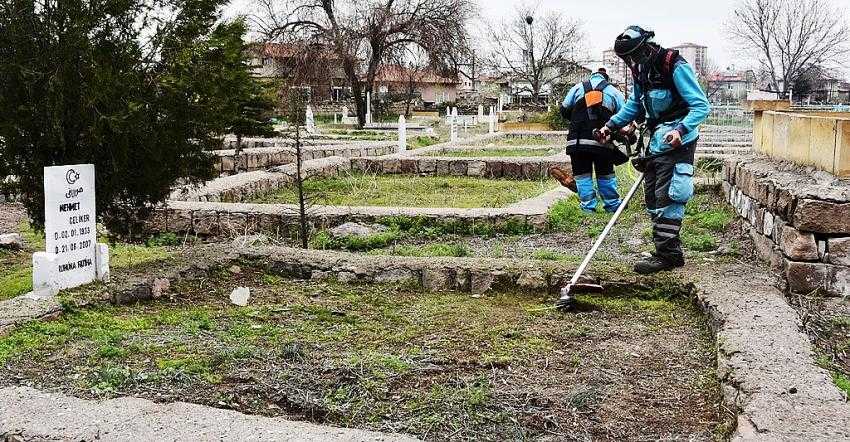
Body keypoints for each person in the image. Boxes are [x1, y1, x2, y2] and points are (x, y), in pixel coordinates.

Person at [598, 25, 710, 274]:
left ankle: (668, 255)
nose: (630, 62)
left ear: (645, 48)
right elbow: (634, 105)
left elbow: (701, 106)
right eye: (626, 59)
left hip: (677, 141)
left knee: (670, 195)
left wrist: (680, 130)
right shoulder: (641, 72)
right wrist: (610, 125)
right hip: (656, 141)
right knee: (652, 196)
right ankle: (666, 250)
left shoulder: (673, 64)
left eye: (633, 56)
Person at [549, 68, 627, 213]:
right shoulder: (614, 92)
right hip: (602, 141)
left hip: (577, 141)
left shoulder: (577, 88)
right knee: (605, 174)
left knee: (582, 174)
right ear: (606, 79)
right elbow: (624, 115)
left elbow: (564, 110)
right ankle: (613, 205)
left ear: (591, 77)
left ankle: (588, 207)